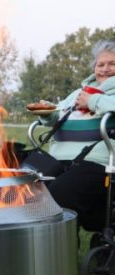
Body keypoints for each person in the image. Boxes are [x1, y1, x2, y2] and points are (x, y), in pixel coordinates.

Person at [40, 39, 115, 232]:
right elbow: (58, 115)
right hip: (59, 160)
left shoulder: (94, 95)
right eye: (101, 64)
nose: (105, 69)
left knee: (59, 193)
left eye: (112, 64)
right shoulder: (78, 93)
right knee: (29, 189)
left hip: (96, 162)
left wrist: (94, 100)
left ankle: (60, 250)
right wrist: (47, 112)